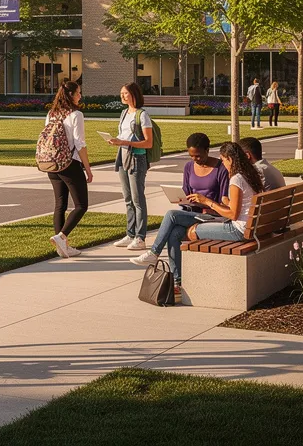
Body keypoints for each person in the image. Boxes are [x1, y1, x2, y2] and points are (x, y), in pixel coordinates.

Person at [131, 143, 265, 302]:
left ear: (230, 159)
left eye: (224, 160)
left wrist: (207, 202)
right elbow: (241, 206)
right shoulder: (249, 175)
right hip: (249, 227)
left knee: (175, 219)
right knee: (175, 233)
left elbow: (234, 215)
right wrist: (226, 201)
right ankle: (177, 282)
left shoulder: (236, 179)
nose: (223, 164)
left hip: (236, 230)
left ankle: (155, 255)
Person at [42, 80, 93, 258]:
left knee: (60, 204)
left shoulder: (51, 113)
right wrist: (88, 168)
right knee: (81, 205)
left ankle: (61, 247)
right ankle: (62, 237)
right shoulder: (76, 115)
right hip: (70, 164)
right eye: (78, 93)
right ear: (71, 95)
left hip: (52, 164)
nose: (80, 96)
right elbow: (80, 144)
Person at [102, 82, 154, 251]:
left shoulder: (142, 115)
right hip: (123, 156)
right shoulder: (124, 113)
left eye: (125, 93)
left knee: (138, 199)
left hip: (137, 159)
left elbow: (148, 142)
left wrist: (122, 141)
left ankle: (140, 237)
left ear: (134, 95)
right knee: (127, 198)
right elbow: (124, 134)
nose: (122, 96)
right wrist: (115, 140)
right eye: (121, 93)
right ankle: (130, 234)